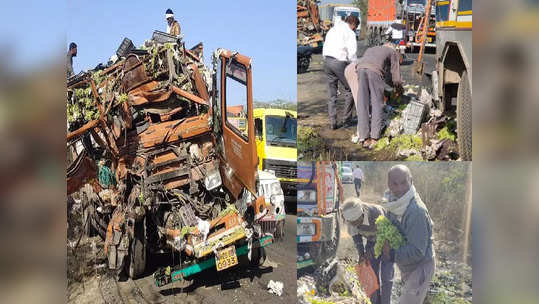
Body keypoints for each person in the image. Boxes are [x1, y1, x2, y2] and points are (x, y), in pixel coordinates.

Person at [382, 164, 435, 304]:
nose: (399, 188)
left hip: (420, 266)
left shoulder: (416, 211)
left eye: (404, 182)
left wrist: (392, 254)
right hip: (408, 265)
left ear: (411, 181)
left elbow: (418, 251)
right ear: (389, 184)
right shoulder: (393, 203)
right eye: (394, 184)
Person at [341, 197, 394, 304]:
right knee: (371, 275)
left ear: (361, 216)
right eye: (351, 223)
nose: (354, 225)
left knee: (386, 276)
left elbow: (385, 238)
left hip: (388, 241)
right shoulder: (350, 219)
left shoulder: (377, 214)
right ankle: (375, 302)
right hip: (371, 240)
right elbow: (356, 237)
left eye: (356, 222)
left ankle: (386, 302)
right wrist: (361, 254)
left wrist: (373, 251)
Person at [352, 42, 403, 148]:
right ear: (393, 48)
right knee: (377, 104)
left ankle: (364, 137)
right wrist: (398, 89)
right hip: (374, 71)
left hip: (360, 69)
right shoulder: (392, 52)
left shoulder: (371, 48)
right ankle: (374, 137)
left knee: (363, 103)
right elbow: (396, 77)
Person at [322, 15, 359, 129]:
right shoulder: (350, 32)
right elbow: (352, 53)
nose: (355, 30)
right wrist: (356, 66)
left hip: (327, 61)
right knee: (351, 89)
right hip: (339, 62)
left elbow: (325, 46)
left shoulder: (333, 29)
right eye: (355, 28)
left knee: (332, 94)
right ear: (353, 24)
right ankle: (347, 119)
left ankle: (333, 122)